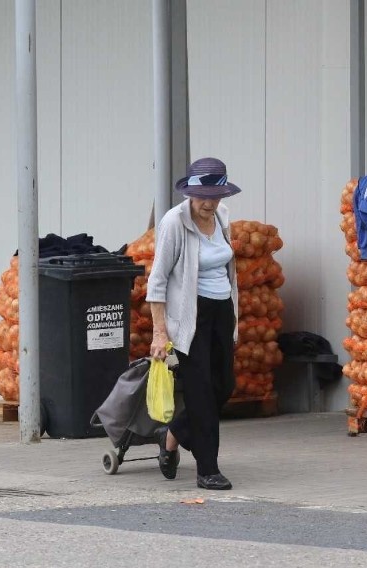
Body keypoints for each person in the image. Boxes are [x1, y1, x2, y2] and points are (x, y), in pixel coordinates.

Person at [147, 157, 241, 490]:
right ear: (190, 193)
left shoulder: (223, 218)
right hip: (190, 315)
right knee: (200, 392)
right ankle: (208, 469)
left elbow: (228, 268)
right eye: (202, 195)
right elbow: (157, 280)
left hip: (221, 311)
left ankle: (171, 435)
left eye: (215, 196)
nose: (208, 203)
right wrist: (160, 333)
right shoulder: (174, 222)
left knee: (224, 386)